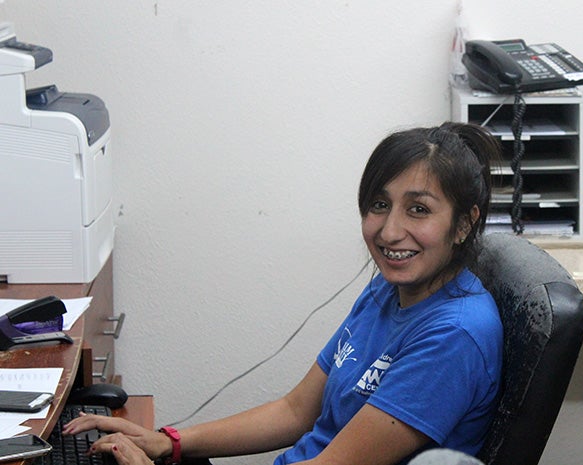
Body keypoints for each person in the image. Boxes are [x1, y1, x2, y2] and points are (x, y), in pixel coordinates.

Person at [63, 122, 504, 465]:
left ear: (463, 224)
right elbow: (296, 411)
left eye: (419, 209)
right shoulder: (387, 293)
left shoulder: (454, 335)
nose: (389, 231)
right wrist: (170, 443)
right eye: (379, 204)